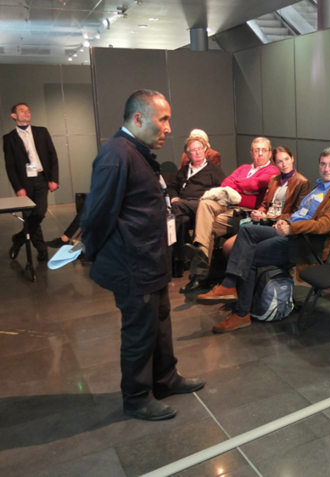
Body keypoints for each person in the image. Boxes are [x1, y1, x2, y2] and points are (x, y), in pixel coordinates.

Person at [80, 90, 205, 421]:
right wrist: (95, 252)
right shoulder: (116, 155)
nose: (168, 128)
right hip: (133, 263)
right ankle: (136, 397)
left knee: (159, 322)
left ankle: (165, 378)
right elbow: (97, 215)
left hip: (152, 259)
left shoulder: (136, 152)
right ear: (138, 119)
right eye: (163, 120)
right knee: (140, 331)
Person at [198, 147, 330, 332]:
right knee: (247, 232)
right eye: (323, 164)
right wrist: (284, 222)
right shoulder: (318, 188)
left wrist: (291, 228)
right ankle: (229, 285)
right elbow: (300, 213)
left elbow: (323, 225)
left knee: (249, 254)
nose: (327, 169)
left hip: (305, 243)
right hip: (290, 230)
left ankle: (241, 313)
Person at [181, 137, 279, 293]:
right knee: (205, 203)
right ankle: (201, 256)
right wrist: (245, 187)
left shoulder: (272, 171)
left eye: (263, 150)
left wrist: (239, 185)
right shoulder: (244, 168)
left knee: (206, 227)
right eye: (256, 150)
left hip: (245, 211)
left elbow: (256, 184)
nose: (260, 153)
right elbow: (226, 183)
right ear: (251, 153)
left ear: (270, 153)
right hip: (228, 204)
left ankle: (199, 273)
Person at [220, 145, 310, 260]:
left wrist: (268, 217)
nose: (284, 164)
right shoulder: (274, 179)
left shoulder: (302, 182)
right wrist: (259, 212)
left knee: (237, 248)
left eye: (287, 159)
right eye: (280, 161)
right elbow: (264, 205)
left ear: (292, 158)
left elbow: (296, 214)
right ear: (275, 163)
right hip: (263, 220)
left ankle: (242, 270)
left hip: (277, 223)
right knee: (227, 247)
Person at [4, 102, 59, 262]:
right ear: (14, 115)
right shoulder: (9, 138)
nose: (27, 113)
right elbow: (10, 166)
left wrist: (54, 179)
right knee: (29, 216)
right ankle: (41, 249)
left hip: (41, 178)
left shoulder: (42, 132)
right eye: (22, 111)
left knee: (39, 212)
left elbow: (53, 156)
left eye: (28, 110)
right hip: (24, 182)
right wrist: (18, 187)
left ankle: (19, 238)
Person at [169, 135, 226, 274]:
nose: (198, 152)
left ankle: (176, 259)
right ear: (188, 154)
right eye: (193, 150)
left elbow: (224, 189)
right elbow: (172, 186)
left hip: (203, 205)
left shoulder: (213, 169)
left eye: (200, 149)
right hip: (185, 207)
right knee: (181, 219)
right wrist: (174, 197)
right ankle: (180, 261)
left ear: (205, 150)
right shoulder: (184, 170)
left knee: (176, 208)